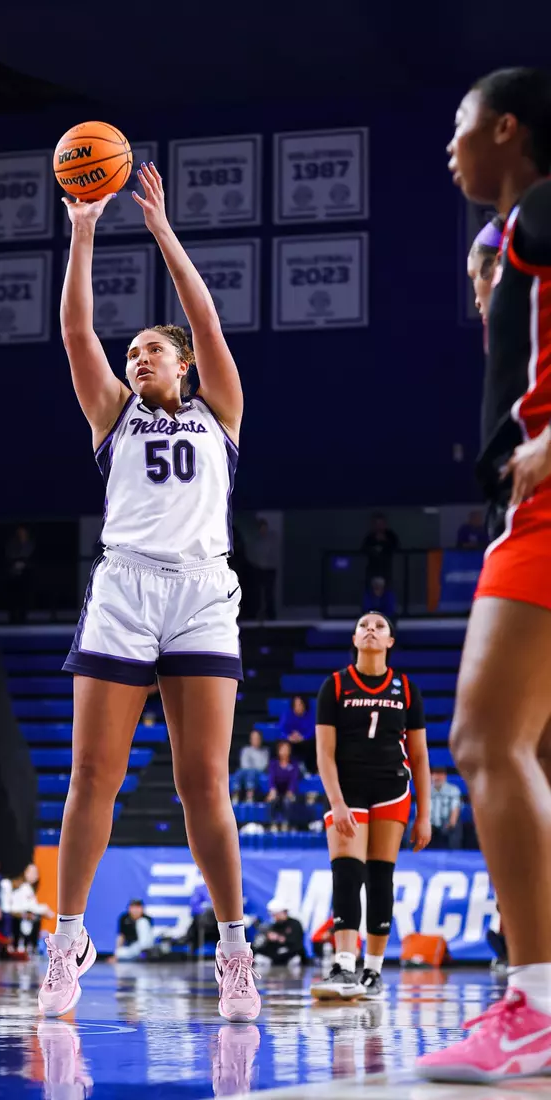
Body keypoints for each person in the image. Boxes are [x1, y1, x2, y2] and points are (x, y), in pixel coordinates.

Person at [41, 161, 258, 1024]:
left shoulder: (222, 412)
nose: (136, 357)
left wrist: (163, 231)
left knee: (203, 781)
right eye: (132, 353)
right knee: (92, 772)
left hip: (203, 592)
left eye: (153, 350)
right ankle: (66, 940)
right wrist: (85, 230)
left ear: (186, 363)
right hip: (125, 588)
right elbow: (75, 334)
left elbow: (203, 313)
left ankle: (234, 949)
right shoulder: (112, 415)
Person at [417, 67, 551, 1083]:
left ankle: (535, 1007)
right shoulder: (509, 239)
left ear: (507, 127)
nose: (449, 147)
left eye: (462, 128)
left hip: (546, 506)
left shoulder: (543, 210)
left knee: (483, 737)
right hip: (524, 503)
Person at [311, 612, 431, 1001]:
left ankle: (373, 974)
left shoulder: (407, 689)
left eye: (379, 627)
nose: (371, 630)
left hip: (392, 789)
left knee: (381, 878)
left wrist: (424, 815)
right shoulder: (334, 685)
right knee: (347, 873)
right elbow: (324, 755)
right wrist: (337, 803)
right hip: (346, 789)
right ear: (354, 637)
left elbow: (420, 756)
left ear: (390, 642)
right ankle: (344, 965)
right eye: (364, 625)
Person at [252, 898, 306, 972]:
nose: (274, 917)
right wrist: (267, 938)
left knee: (295, 960)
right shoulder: (271, 926)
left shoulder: (295, 924)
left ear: (283, 912)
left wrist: (278, 938)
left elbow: (297, 943)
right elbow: (260, 946)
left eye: (275, 914)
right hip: (274, 957)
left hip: (290, 955)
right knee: (259, 958)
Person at [266, 741, 300, 830]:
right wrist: (272, 790)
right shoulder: (273, 764)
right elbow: (271, 778)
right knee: (273, 799)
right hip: (277, 791)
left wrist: (291, 791)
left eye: (287, 749)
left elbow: (294, 779)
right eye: (283, 749)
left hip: (288, 791)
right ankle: (273, 823)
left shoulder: (294, 764)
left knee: (287, 801)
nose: (285, 751)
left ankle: (286, 823)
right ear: (278, 751)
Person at [428, 767, 463, 850]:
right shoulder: (425, 789)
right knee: (412, 826)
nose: (437, 777)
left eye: (440, 774)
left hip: (446, 822)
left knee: (456, 827)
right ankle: (412, 855)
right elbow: (419, 809)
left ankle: (455, 855)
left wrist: (451, 823)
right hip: (429, 823)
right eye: (435, 774)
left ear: (445, 776)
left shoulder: (453, 790)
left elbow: (455, 807)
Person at [231, 730, 269, 803]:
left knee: (251, 772)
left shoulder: (265, 751)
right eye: (253, 738)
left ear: (260, 739)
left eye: (257, 738)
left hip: (258, 772)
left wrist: (252, 768)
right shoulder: (246, 750)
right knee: (238, 772)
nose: (255, 740)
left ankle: (250, 795)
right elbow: (243, 764)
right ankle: (235, 795)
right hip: (245, 771)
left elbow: (262, 766)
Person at [361, 515, 400, 585]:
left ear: (385, 524)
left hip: (387, 571)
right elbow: (364, 550)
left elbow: (396, 548)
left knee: (387, 591)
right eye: (376, 524)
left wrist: (385, 541)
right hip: (372, 571)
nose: (379, 526)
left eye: (381, 523)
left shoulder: (391, 536)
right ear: (373, 525)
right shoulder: (370, 537)